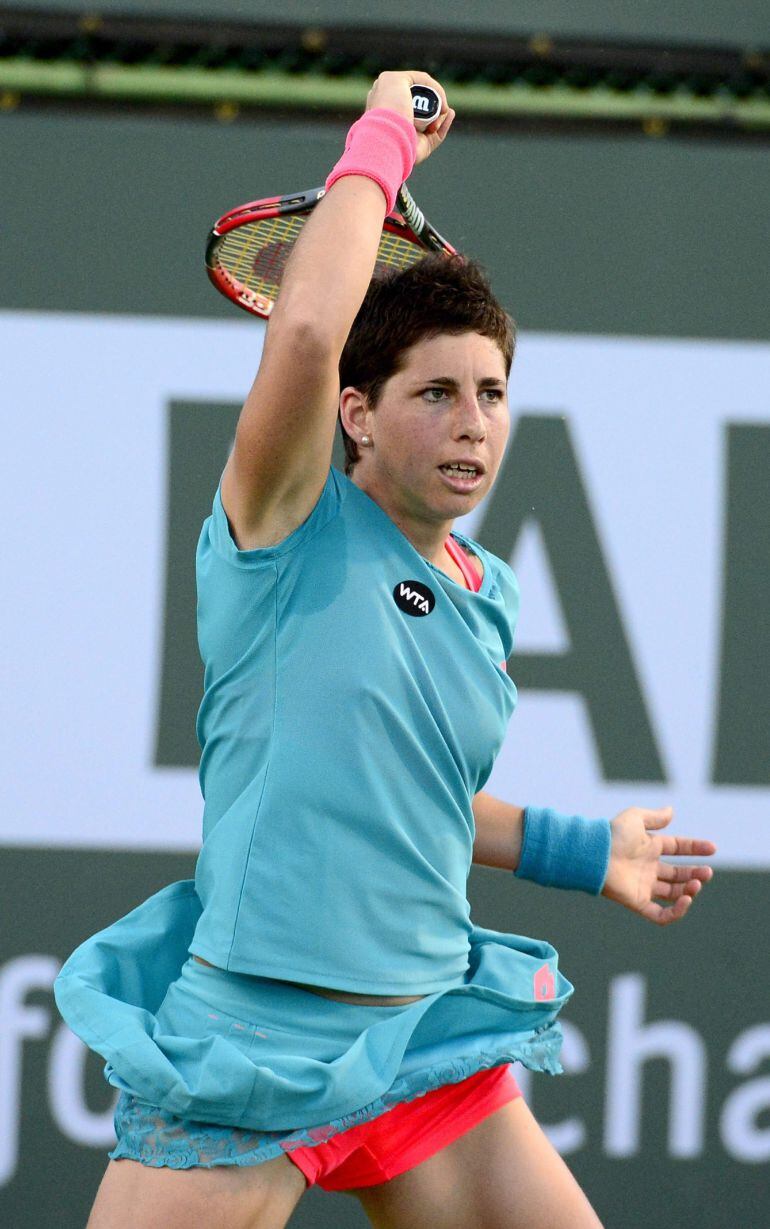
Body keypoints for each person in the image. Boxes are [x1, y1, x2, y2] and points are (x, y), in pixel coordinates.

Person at [54, 71, 716, 1229]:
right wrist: (381, 136)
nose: (472, 421)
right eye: (436, 392)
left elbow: (427, 800)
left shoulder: (485, 591)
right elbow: (310, 329)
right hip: (255, 1047)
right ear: (355, 412)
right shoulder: (284, 522)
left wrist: (587, 851)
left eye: (492, 393)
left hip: (418, 1033)